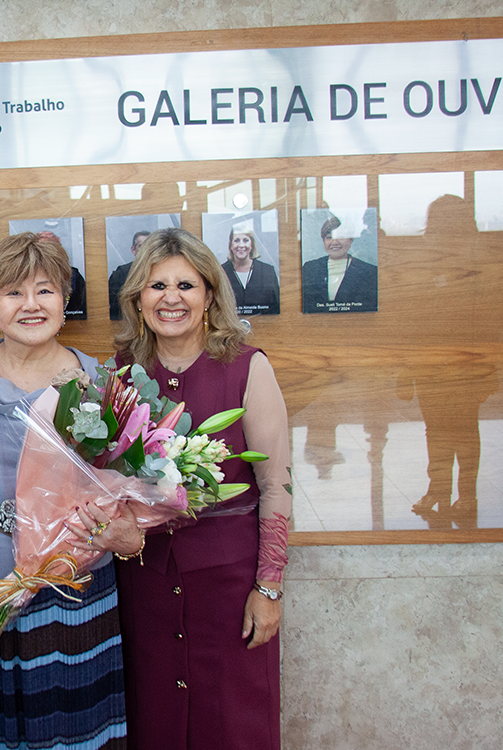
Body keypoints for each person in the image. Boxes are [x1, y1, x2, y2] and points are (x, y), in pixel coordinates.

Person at [0, 232, 138, 750]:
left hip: (66, 583)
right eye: (13, 292)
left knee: (69, 724)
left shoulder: (97, 382)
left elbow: (120, 485)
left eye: (45, 290)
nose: (30, 305)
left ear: (65, 299)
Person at [111, 227, 292, 750]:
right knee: (156, 719)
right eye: (156, 285)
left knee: (234, 721)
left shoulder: (247, 367)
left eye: (186, 285)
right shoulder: (122, 375)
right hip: (143, 583)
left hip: (230, 585)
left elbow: (276, 488)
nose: (171, 298)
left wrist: (269, 587)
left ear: (210, 294)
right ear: (138, 300)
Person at [301, 213, 377, 312]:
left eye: (340, 237)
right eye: (329, 237)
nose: (335, 242)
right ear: (323, 241)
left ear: (350, 240)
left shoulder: (369, 271)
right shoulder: (310, 268)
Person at [221, 227, 281, 315]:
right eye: (236, 240)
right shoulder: (220, 272)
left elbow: (275, 307)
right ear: (230, 245)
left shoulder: (268, 271)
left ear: (252, 244)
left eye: (246, 240)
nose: (241, 245)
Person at [108, 230, 149, 320]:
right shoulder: (120, 274)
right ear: (133, 250)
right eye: (141, 246)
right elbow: (115, 310)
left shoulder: (163, 273)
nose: (145, 249)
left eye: (149, 246)